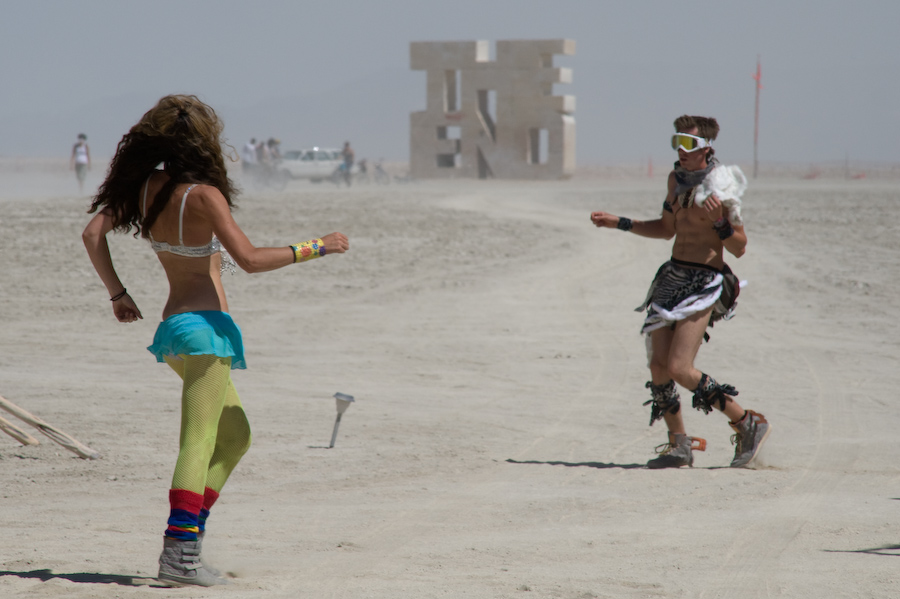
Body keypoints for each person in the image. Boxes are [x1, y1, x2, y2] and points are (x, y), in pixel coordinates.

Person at [82, 95, 349, 586]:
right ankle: (178, 554)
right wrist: (316, 247)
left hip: (178, 330)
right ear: (204, 144)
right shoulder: (204, 196)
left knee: (235, 435)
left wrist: (118, 294)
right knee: (199, 440)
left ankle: (189, 543)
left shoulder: (146, 190)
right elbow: (248, 259)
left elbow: (92, 234)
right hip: (204, 332)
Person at [590, 115, 770, 469]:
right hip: (672, 277)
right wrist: (619, 223)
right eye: (676, 143)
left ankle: (747, 421)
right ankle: (679, 445)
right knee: (658, 365)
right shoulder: (675, 180)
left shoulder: (721, 186)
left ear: (706, 149)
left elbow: (739, 247)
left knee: (679, 367)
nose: (680, 151)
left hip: (703, 282)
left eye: (688, 144)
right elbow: (665, 229)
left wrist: (720, 222)